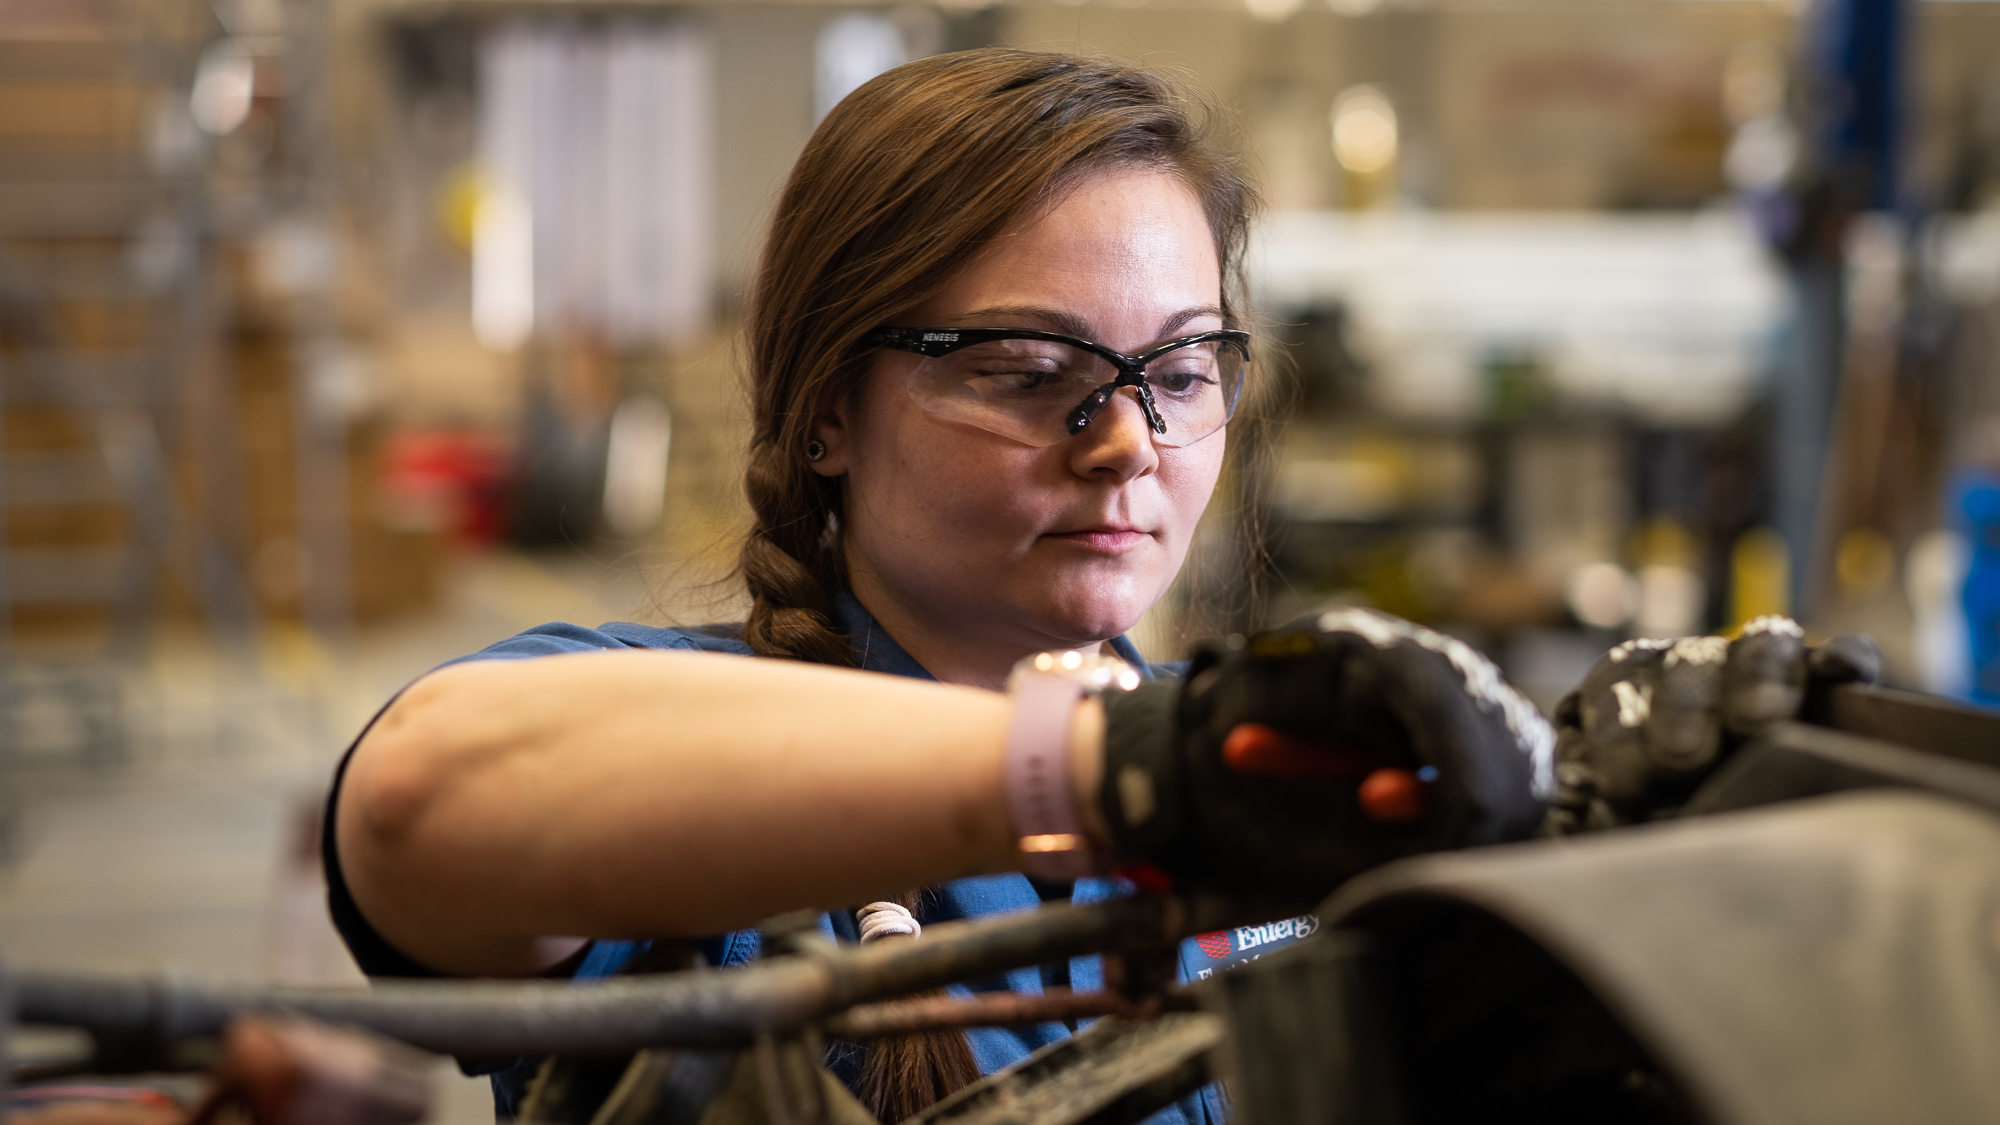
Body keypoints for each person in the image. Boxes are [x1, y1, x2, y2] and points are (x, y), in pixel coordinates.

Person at [325, 48, 1553, 1125]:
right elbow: (416, 803)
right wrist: (1113, 769)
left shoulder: (1280, 780)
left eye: (1179, 371)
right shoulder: (690, 744)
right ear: (824, 417)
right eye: (1026, 370)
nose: (1127, 441)